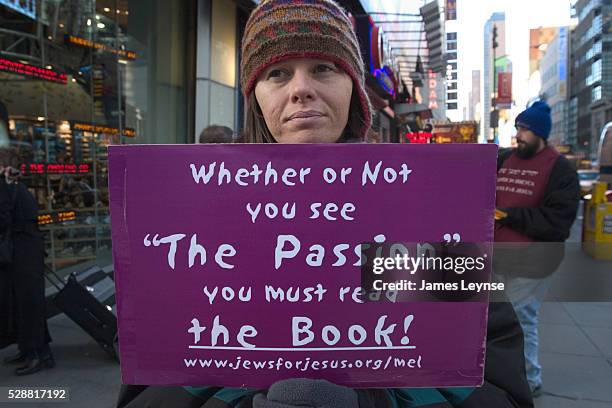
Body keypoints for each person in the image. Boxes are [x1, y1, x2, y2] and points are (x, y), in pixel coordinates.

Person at [116, 1, 533, 406]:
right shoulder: (194, 227)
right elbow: (153, 384)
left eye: (323, 68)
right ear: (256, 97)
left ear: (353, 87)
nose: (301, 89)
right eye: (277, 73)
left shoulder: (429, 217)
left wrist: (374, 403)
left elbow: (494, 384)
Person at [493, 101, 580, 397]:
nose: (519, 134)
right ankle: (502, 372)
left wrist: (508, 214)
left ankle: (530, 379)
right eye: (518, 127)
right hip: (496, 258)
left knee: (520, 319)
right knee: (495, 319)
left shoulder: (560, 170)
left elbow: (557, 222)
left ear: (540, 133)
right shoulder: (505, 159)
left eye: (525, 129)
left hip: (532, 263)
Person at [0, 147, 54, 375]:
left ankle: (37, 354)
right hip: (25, 250)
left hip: (23, 253)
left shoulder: (7, 185)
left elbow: (3, 218)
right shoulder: (12, 185)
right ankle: (30, 350)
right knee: (24, 303)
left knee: (28, 304)